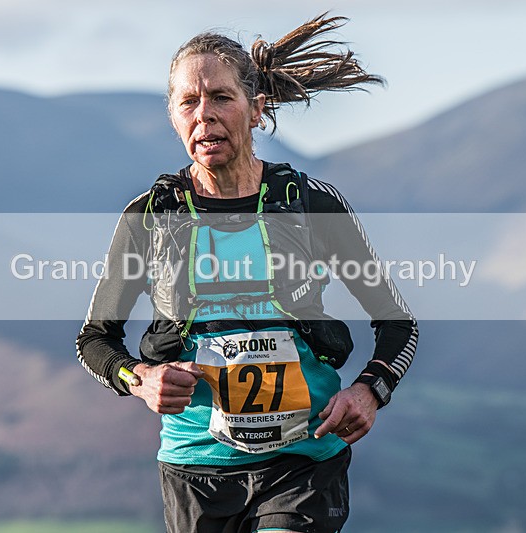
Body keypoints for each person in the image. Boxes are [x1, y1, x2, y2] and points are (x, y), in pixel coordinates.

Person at [76, 13, 418, 533]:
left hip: (302, 463)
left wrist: (370, 390)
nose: (204, 115)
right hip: (195, 467)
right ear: (172, 115)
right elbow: (95, 339)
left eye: (220, 97)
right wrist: (139, 377)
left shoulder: (309, 204)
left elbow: (398, 323)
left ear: (256, 110)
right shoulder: (150, 216)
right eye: (188, 102)